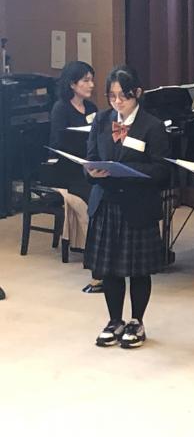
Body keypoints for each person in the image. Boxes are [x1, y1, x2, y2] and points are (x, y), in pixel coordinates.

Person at [83, 65, 169, 348]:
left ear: (137, 93)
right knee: (109, 267)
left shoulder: (152, 126)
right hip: (106, 202)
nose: (118, 102)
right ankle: (114, 320)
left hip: (137, 205)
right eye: (112, 96)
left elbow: (161, 170)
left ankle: (136, 321)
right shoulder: (101, 120)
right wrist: (92, 172)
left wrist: (127, 170)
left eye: (124, 96)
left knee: (138, 269)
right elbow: (90, 158)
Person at [49, 61, 101, 292]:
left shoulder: (91, 108)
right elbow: (57, 143)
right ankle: (95, 258)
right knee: (92, 196)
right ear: (72, 84)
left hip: (87, 165)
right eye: (86, 80)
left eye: (91, 80)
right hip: (67, 168)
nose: (91, 85)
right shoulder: (61, 108)